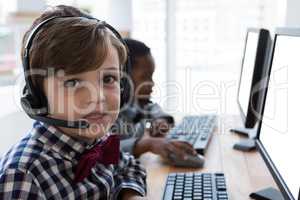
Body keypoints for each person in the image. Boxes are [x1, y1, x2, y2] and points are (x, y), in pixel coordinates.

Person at [0, 5, 146, 199]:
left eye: (109, 79)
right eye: (73, 82)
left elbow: (130, 165)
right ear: (37, 94)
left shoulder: (97, 139)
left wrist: (130, 194)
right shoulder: (23, 176)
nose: (97, 96)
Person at [115, 38, 197, 160]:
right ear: (123, 79)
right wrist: (147, 144)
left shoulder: (136, 102)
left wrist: (161, 119)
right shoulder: (106, 114)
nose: (151, 83)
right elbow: (103, 152)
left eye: (151, 76)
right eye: (145, 77)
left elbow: (152, 107)